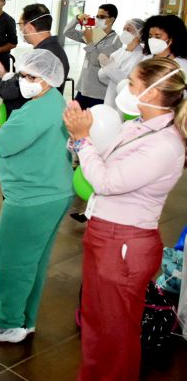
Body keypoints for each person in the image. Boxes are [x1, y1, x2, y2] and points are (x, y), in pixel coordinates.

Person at [63, 58, 187, 380]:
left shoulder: (165, 144)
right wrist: (80, 137)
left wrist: (82, 140)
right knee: (96, 322)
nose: (125, 88)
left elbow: (106, 182)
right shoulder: (138, 126)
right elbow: (103, 159)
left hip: (124, 243)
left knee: (115, 333)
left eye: (132, 83)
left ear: (153, 92)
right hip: (106, 234)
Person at [0, 50, 73, 343]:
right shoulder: (54, 100)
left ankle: (8, 323)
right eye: (23, 75)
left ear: (48, 79)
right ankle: (25, 319)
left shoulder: (37, 111)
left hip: (32, 197)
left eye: (31, 77)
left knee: (12, 259)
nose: (24, 81)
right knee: (33, 261)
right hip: (54, 190)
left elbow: (4, 143)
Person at [0, 4, 70, 117]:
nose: (20, 29)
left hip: (32, 116)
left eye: (20, 24)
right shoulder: (55, 49)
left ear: (29, 27)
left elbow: (9, 90)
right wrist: (4, 74)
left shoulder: (43, 57)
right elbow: (22, 83)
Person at [62, 3, 122, 109]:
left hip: (98, 93)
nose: (98, 19)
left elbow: (97, 61)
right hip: (84, 88)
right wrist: (77, 19)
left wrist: (90, 42)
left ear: (111, 20)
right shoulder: (95, 33)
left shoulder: (115, 41)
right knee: (73, 115)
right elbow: (67, 32)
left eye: (102, 17)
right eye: (97, 16)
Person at [97, 18, 145, 111]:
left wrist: (109, 67)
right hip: (110, 98)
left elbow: (128, 83)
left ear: (140, 33)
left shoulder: (143, 57)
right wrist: (104, 70)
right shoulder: (118, 53)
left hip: (127, 102)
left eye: (128, 29)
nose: (124, 32)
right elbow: (105, 79)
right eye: (124, 29)